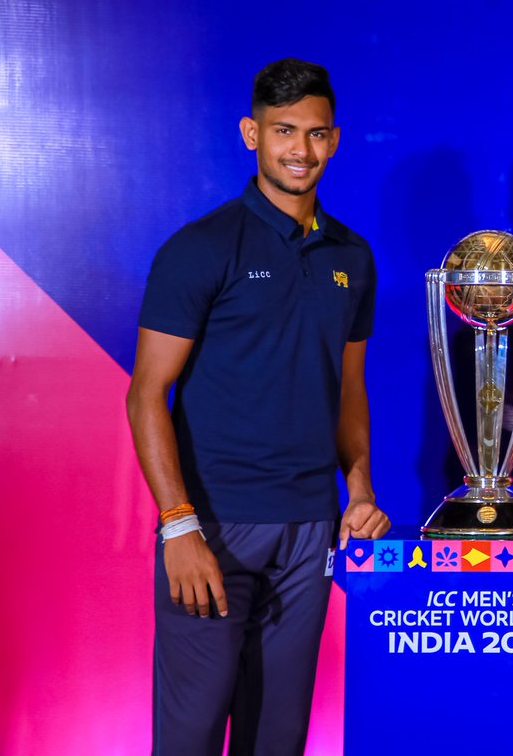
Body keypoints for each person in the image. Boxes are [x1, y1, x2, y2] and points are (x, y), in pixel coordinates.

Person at [126, 58, 390, 756]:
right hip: (213, 526)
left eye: (316, 133)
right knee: (190, 736)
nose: (301, 150)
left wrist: (360, 490)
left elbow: (349, 389)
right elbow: (146, 392)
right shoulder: (201, 248)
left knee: (277, 737)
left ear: (334, 139)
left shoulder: (353, 257)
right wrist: (178, 526)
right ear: (252, 133)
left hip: (309, 530)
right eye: (283, 131)